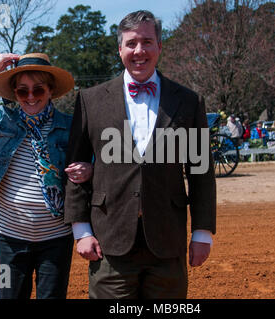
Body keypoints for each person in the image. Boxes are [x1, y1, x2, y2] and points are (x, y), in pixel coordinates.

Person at [64, 10, 216, 299]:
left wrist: (202, 232)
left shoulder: (188, 101)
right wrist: (81, 230)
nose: (139, 51)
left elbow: (201, 172)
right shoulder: (90, 100)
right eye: (131, 43)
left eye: (147, 42)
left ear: (159, 46)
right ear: (119, 48)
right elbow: (76, 168)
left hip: (167, 241)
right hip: (109, 243)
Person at [0, 52, 92, 299]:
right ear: (14, 93)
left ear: (51, 90)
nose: (31, 97)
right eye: (23, 91)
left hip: (56, 241)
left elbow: (93, 160)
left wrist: (90, 169)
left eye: (38, 90)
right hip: (9, 242)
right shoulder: (1, 120)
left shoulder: (70, 125)